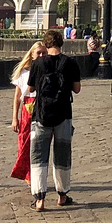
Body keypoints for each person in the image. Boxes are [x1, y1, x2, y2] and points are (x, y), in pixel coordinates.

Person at [25, 42, 82, 210]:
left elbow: (31, 88)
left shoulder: (38, 63)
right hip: (63, 114)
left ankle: (39, 199)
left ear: (47, 44)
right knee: (62, 156)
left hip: (41, 114)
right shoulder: (70, 62)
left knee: (38, 157)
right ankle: (62, 195)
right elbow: (77, 89)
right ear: (61, 44)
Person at [9, 41, 48, 182]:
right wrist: (15, 118)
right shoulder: (24, 72)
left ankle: (35, 173)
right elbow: (17, 97)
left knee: (39, 141)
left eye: (44, 52)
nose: (42, 55)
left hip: (43, 105)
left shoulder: (48, 69)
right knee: (25, 139)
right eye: (39, 53)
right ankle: (26, 172)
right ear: (32, 55)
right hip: (28, 106)